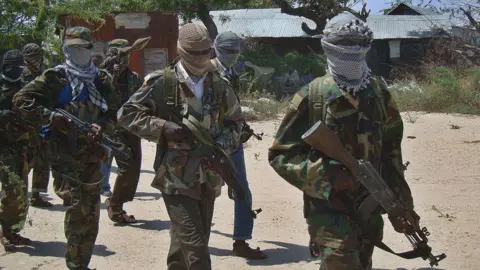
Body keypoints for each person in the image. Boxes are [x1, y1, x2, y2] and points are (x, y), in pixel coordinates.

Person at [268, 12, 418, 270]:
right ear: (328, 49)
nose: (351, 57)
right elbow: (281, 155)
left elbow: (392, 154)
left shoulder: (380, 94)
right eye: (344, 50)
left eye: (357, 50)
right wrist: (327, 176)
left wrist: (402, 205)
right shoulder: (312, 96)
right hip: (329, 212)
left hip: (369, 212)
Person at [117, 23, 242, 270]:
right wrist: (162, 126)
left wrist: (221, 146)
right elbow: (127, 114)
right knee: (196, 247)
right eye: (195, 53)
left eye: (206, 51)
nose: (202, 57)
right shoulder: (162, 82)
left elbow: (236, 124)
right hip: (175, 177)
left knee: (186, 243)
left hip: (209, 175)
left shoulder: (219, 83)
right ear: (181, 50)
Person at [13, 26, 114, 270]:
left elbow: (114, 113)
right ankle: (75, 263)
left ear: (90, 49)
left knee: (91, 212)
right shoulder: (54, 77)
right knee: (77, 207)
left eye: (83, 47)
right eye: (73, 48)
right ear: (65, 49)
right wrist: (50, 117)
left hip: (92, 151)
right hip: (64, 153)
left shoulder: (100, 79)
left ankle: (83, 261)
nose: (79, 52)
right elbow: (21, 100)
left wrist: (102, 127)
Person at [211, 31, 266, 260]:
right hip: (210, 142)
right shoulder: (207, 71)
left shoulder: (231, 72)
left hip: (233, 140)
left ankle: (241, 241)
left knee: (241, 189)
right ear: (216, 48)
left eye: (236, 51)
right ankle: (193, 241)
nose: (232, 55)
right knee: (203, 192)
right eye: (228, 51)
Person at [101, 39, 143, 223]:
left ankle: (119, 204)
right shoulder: (103, 75)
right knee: (126, 165)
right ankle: (114, 204)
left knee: (134, 167)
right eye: (120, 55)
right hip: (112, 128)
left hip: (131, 126)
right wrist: (112, 74)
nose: (124, 59)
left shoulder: (133, 77)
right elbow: (101, 94)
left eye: (126, 55)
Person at [0, 50, 32, 250]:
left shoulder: (25, 88)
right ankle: (6, 231)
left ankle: (12, 230)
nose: (17, 71)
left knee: (20, 189)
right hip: (3, 146)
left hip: (22, 146)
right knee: (11, 189)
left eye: (20, 68)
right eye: (14, 68)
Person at [22, 43, 53, 208]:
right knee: (25, 161)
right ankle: (17, 192)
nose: (35, 60)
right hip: (25, 125)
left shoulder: (44, 73)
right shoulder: (21, 75)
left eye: (37, 56)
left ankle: (37, 195)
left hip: (43, 123)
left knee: (43, 160)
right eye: (31, 56)